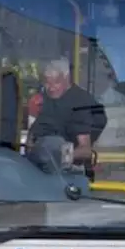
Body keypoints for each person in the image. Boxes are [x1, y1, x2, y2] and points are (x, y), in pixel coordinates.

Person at [25, 57, 107, 185]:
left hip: (69, 176)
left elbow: (85, 150)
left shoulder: (80, 102)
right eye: (47, 83)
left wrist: (59, 158)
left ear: (67, 78)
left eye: (56, 82)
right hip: (37, 170)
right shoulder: (44, 99)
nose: (51, 88)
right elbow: (32, 134)